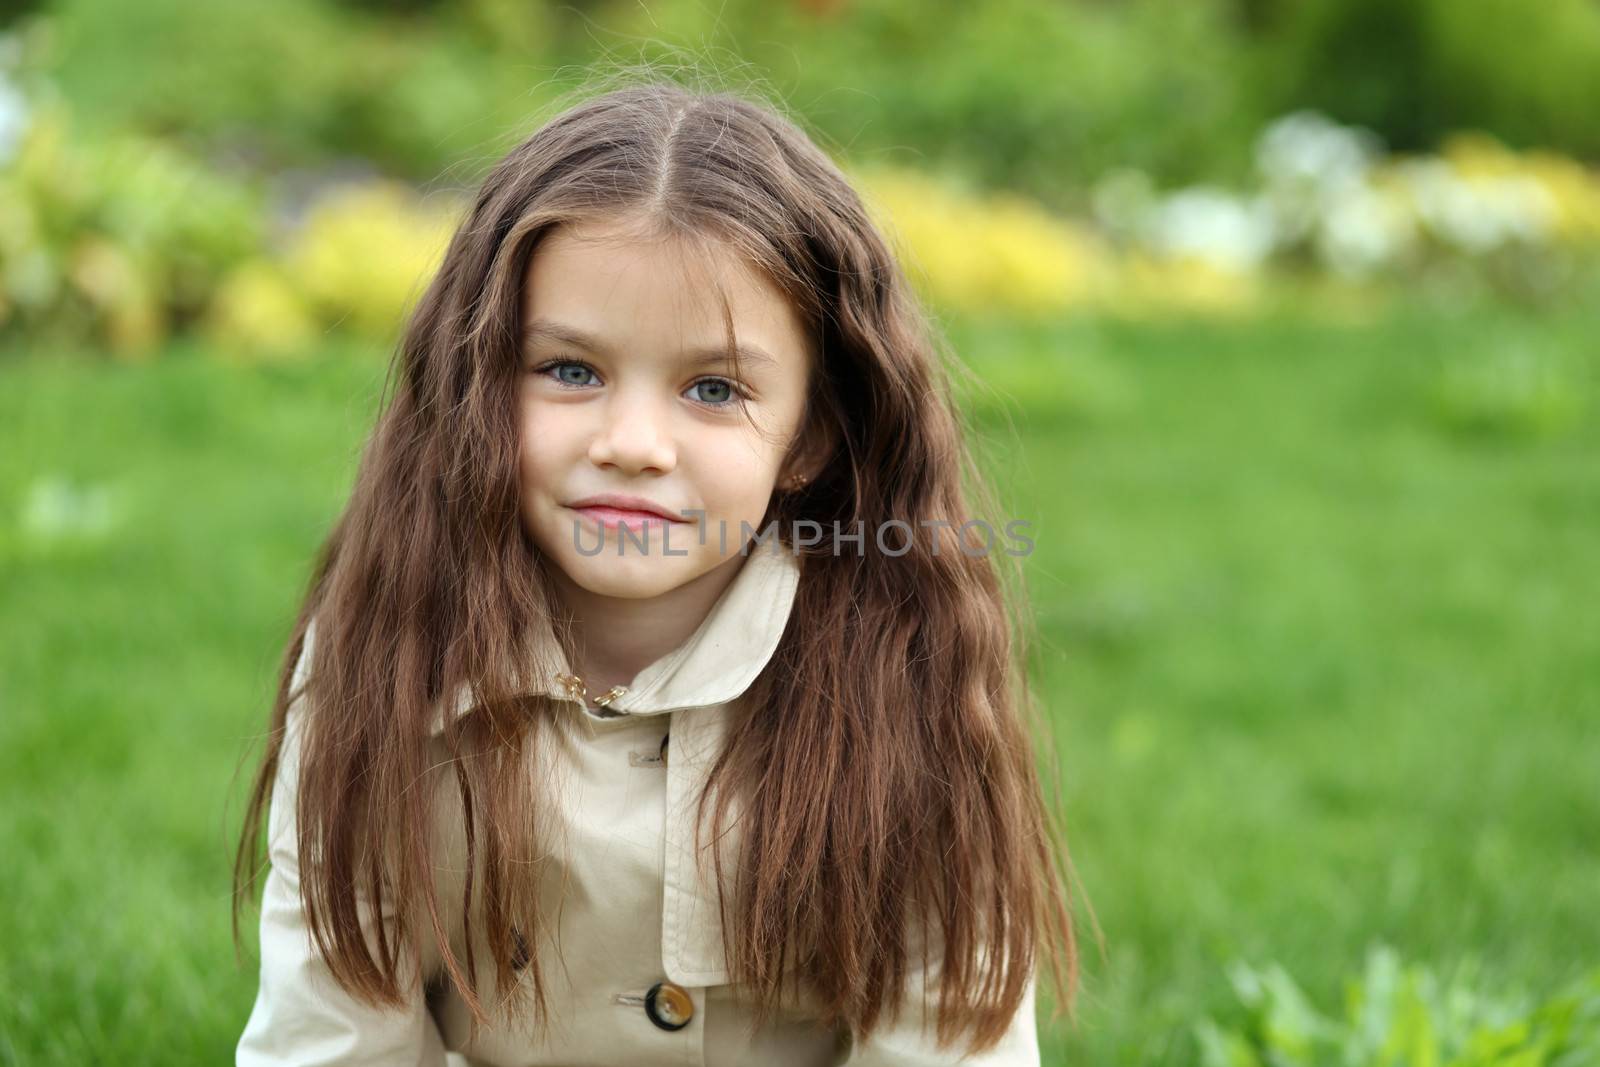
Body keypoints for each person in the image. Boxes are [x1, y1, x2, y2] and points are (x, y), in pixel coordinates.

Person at [233, 74, 1081, 1066]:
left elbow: (944, 1043)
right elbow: (335, 1035)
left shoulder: (903, 669)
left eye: (713, 387)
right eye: (569, 370)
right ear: (476, 384)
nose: (632, 442)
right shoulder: (378, 660)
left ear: (810, 434)